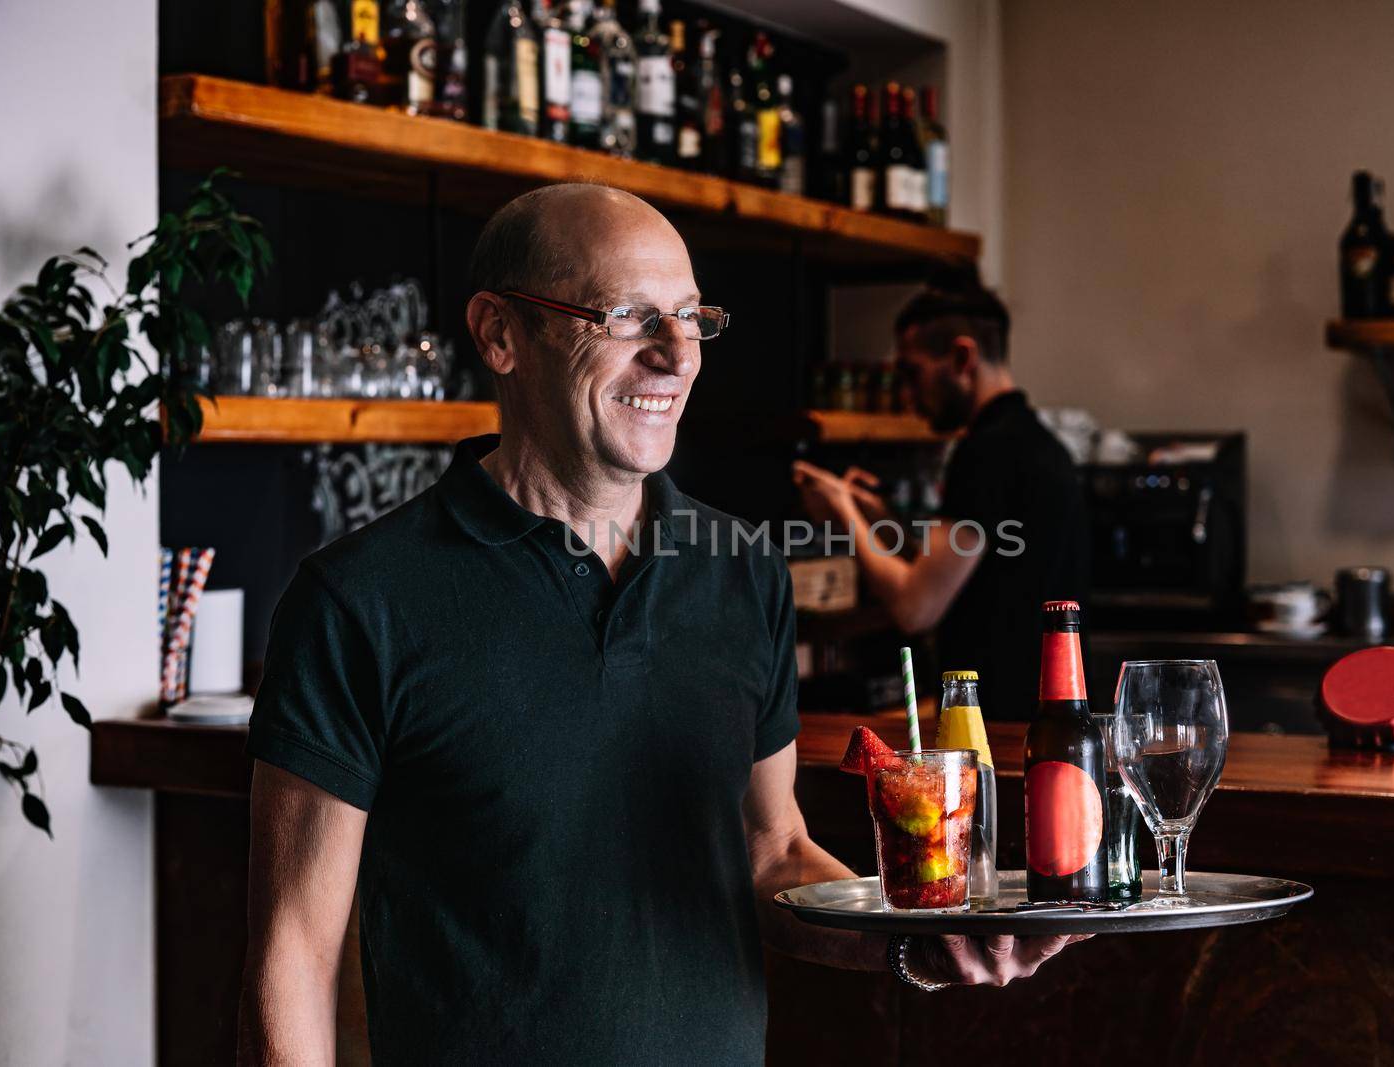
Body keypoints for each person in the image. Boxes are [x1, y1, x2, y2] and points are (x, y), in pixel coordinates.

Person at [237, 185, 1082, 1065]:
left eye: (690, 317)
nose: (676, 354)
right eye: (628, 314)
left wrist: (920, 940)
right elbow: (292, 953)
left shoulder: (743, 570)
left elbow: (771, 853)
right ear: (499, 333)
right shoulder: (359, 598)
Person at [794, 273, 1088, 720]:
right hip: (1044, 713)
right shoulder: (1038, 443)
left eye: (913, 374)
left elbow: (916, 607)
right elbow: (958, 578)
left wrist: (844, 512)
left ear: (962, 357)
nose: (909, 397)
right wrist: (881, 517)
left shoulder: (987, 452)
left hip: (997, 722)